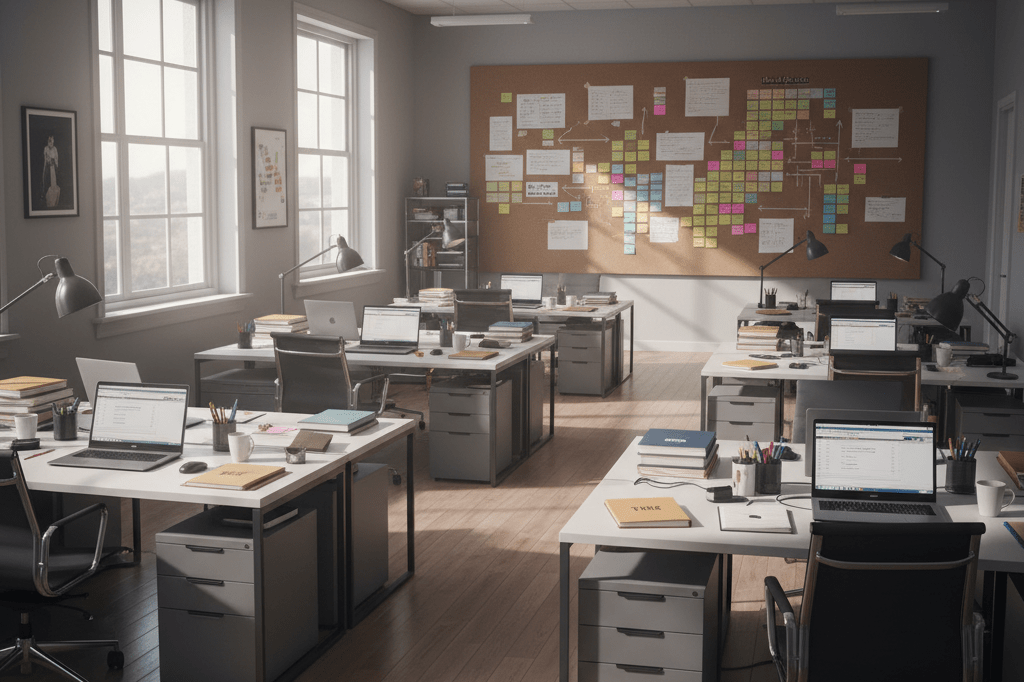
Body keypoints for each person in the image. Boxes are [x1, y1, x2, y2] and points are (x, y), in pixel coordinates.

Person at [41, 135, 60, 207]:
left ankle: (53, 202)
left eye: (52, 140)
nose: (50, 142)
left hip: (53, 169)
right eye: (49, 141)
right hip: (47, 168)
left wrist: (54, 163)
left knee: (53, 184)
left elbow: (56, 159)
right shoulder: (45, 149)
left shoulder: (55, 149)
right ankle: (46, 199)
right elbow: (45, 160)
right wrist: (46, 164)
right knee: (46, 182)